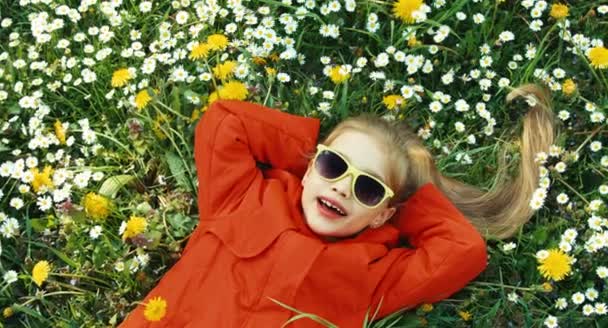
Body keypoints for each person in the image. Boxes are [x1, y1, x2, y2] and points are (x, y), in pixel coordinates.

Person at [119, 84, 556, 327]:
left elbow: (463, 251)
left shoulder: (377, 275)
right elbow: (225, 120)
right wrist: (308, 156)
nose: (343, 188)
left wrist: (409, 194)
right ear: (311, 167)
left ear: (386, 213)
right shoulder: (243, 197)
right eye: (334, 165)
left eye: (367, 188)